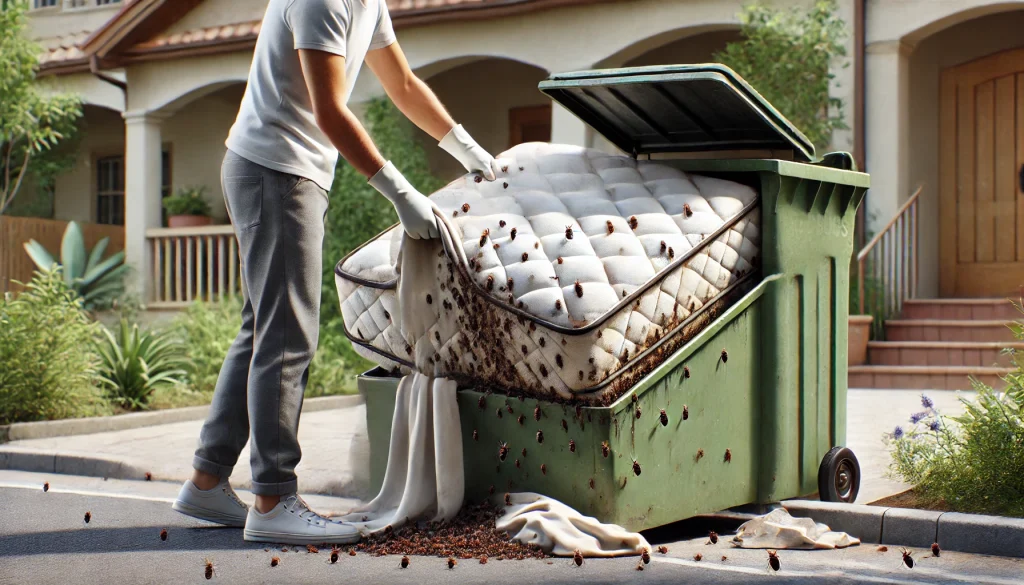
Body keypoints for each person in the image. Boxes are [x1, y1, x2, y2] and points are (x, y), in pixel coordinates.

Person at [171, 0, 498, 545]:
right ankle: (273, 498)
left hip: (284, 169)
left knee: (263, 329)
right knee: (286, 334)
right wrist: (400, 192)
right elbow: (329, 109)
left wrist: (464, 146)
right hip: (275, 168)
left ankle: (207, 480)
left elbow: (404, 85)